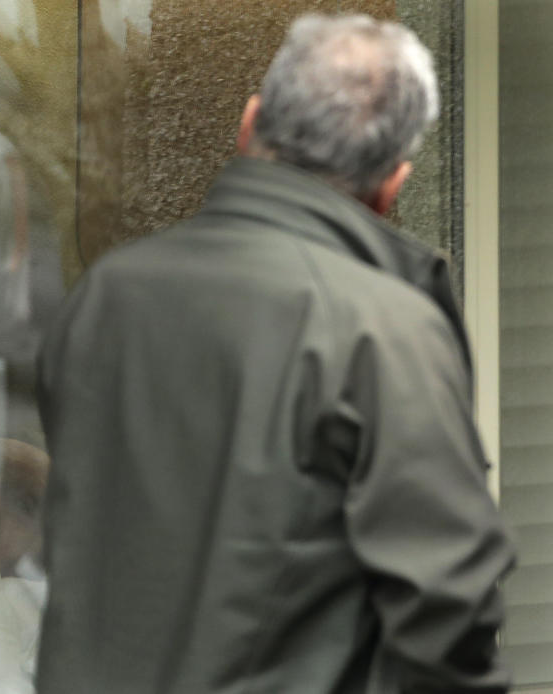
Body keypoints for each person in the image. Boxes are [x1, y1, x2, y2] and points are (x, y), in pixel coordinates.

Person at [34, 13, 516, 694]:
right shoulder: (383, 330)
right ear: (392, 185)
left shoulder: (106, 295)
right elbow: (447, 608)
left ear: (249, 122)